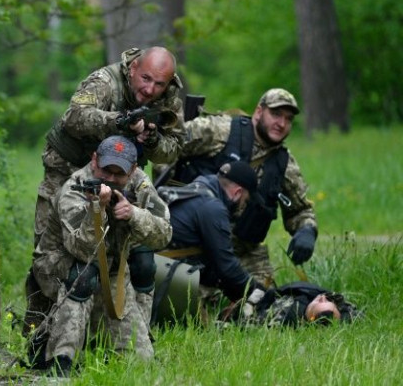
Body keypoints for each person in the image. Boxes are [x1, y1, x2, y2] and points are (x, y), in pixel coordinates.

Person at [24, 46, 185, 364]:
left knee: (132, 260)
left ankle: (128, 335)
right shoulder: (104, 82)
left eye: (159, 84)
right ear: (133, 67)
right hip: (68, 169)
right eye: (146, 79)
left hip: (123, 170)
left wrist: (149, 137)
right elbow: (74, 118)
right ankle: (39, 337)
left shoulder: (169, 96)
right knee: (53, 258)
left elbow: (173, 149)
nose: (150, 90)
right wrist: (119, 122)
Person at [30, 135, 172, 376]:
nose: (111, 180)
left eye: (119, 174)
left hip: (113, 266)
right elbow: (82, 249)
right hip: (60, 265)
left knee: (141, 365)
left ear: (133, 170)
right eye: (106, 171)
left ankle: (121, 338)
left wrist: (134, 214)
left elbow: (165, 233)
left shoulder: (140, 183)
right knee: (85, 276)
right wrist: (97, 211)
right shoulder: (75, 188)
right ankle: (61, 358)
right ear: (94, 160)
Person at [168, 88, 317, 287]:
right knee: (191, 303)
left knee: (262, 304)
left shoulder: (284, 165)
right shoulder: (221, 131)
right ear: (258, 112)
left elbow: (301, 210)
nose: (281, 123)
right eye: (275, 114)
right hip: (193, 245)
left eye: (288, 119)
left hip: (244, 253)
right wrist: (170, 200)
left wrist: (306, 231)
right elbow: (168, 148)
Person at [151, 161, 266, 325]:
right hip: (162, 273)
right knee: (201, 324)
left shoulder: (199, 187)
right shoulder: (213, 208)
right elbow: (226, 266)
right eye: (245, 201)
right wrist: (256, 290)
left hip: (151, 265)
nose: (243, 207)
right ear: (238, 193)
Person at [221, 281, 360, 327]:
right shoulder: (336, 306)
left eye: (320, 301)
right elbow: (354, 312)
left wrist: (250, 302)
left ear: (310, 317)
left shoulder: (281, 316)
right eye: (328, 301)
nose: (323, 297)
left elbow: (245, 323)